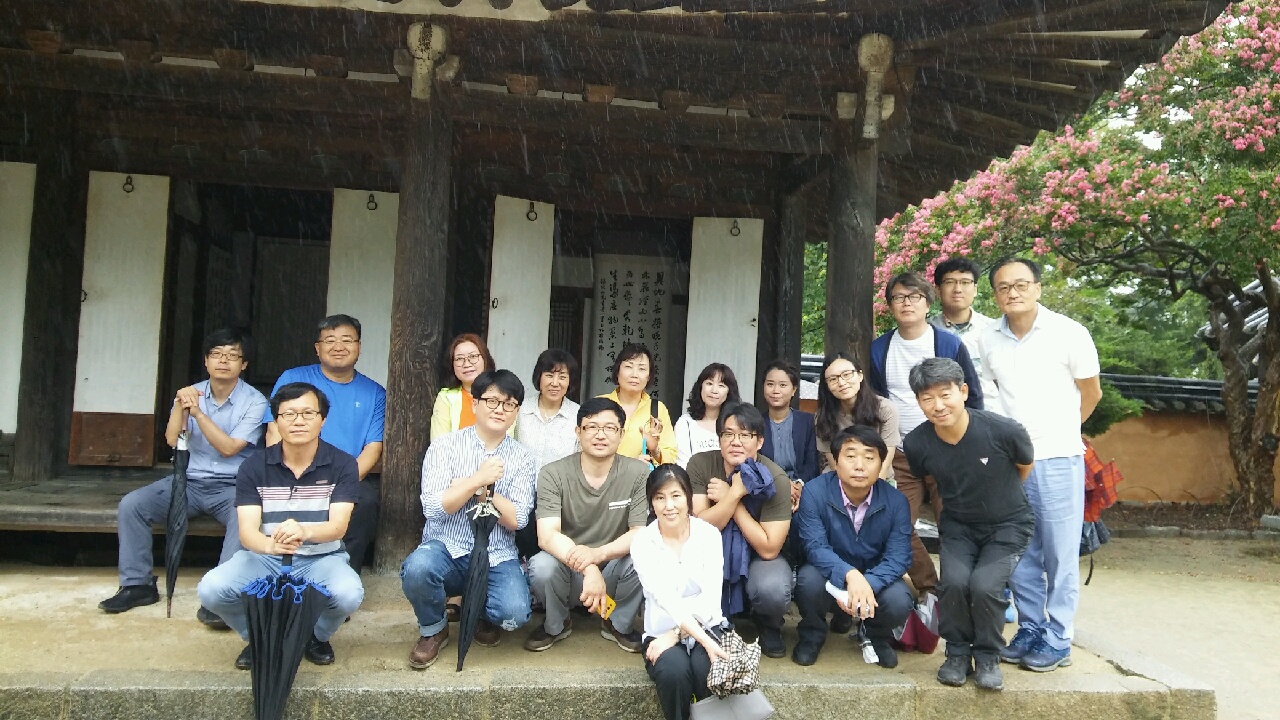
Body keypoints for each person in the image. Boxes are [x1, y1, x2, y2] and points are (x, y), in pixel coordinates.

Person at [976, 257, 1101, 672]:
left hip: (1058, 456)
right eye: (1003, 287)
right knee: (1020, 548)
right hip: (1011, 462)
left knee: (1060, 552)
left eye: (1021, 284)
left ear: (1037, 287)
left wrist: (1062, 431)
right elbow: (990, 395)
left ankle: (1059, 636)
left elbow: (1091, 392)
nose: (1012, 293)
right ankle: (1031, 627)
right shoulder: (988, 337)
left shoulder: (1069, 332)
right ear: (995, 294)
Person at [99, 329, 268, 629]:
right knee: (133, 505)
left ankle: (223, 595)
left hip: (233, 485)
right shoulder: (190, 393)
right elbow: (171, 439)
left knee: (244, 518)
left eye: (232, 356)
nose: (223, 361)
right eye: (216, 354)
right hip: (187, 481)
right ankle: (137, 585)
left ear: (244, 365)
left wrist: (198, 414)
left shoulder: (256, 402)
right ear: (206, 361)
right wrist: (180, 405)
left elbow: (230, 448)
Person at [196, 382, 365, 670]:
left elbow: (338, 527)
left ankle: (314, 636)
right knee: (211, 590)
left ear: (323, 420)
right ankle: (259, 637)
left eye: (308, 413)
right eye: (289, 414)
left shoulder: (343, 464)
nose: (299, 421)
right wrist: (270, 545)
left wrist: (306, 531)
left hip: (321, 557)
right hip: (264, 557)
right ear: (276, 421)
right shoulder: (253, 466)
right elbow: (247, 532)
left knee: (349, 594)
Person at [903, 358, 1035, 691]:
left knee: (985, 586)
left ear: (963, 391)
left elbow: (1024, 466)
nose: (938, 405)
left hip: (1008, 525)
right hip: (958, 527)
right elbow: (927, 477)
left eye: (945, 394)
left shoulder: (1004, 430)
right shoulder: (917, 443)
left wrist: (997, 500)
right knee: (954, 583)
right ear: (918, 402)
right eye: (927, 398)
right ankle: (957, 653)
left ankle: (988, 656)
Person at [401, 370, 536, 669]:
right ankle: (434, 629)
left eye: (509, 404)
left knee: (514, 613)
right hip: (446, 546)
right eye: (492, 401)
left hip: (496, 553)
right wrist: (477, 479)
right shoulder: (444, 447)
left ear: (516, 412)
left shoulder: (523, 457)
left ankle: (479, 613)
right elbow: (434, 508)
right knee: (418, 569)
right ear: (475, 404)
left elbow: (518, 519)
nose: (500, 409)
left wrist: (478, 490)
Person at [867, 272, 983, 601]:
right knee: (896, 524)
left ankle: (961, 590)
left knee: (955, 525)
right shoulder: (879, 348)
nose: (906, 303)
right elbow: (874, 402)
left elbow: (972, 396)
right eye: (898, 298)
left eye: (914, 296)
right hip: (901, 454)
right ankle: (930, 589)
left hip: (947, 450)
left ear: (928, 303)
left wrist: (969, 445)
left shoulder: (948, 344)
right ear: (890, 305)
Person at [524, 397, 650, 654]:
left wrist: (598, 555)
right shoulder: (552, 473)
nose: (600, 435)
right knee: (541, 566)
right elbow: (547, 536)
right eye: (592, 427)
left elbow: (639, 533)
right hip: (569, 573)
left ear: (621, 434)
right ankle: (557, 623)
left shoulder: (639, 473)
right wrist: (589, 567)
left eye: (610, 428)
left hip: (613, 571)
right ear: (578, 432)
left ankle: (617, 622)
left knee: (646, 557)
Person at [265, 315, 385, 574]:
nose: (338, 347)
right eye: (330, 340)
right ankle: (280, 573)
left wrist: (343, 482)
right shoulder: (293, 378)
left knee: (365, 501)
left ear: (359, 347)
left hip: (344, 476)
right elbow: (274, 428)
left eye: (347, 340)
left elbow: (373, 447)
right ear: (317, 348)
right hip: (292, 470)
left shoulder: (375, 392)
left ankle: (342, 577)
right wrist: (282, 473)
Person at [792, 425, 913, 668]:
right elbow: (814, 547)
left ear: (881, 464)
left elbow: (899, 557)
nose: (860, 465)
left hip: (873, 574)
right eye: (850, 456)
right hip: (829, 571)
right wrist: (849, 575)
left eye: (869, 458)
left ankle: (874, 633)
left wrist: (867, 583)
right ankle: (813, 633)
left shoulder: (896, 501)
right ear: (836, 462)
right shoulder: (815, 492)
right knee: (807, 581)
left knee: (900, 599)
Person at [687, 401, 792, 659]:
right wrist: (735, 494)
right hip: (710, 550)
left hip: (759, 556)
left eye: (745, 435)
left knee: (772, 589)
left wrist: (732, 500)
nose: (736, 442)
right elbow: (699, 527)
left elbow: (769, 548)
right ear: (719, 438)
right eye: (728, 434)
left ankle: (768, 623)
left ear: (760, 442)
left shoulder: (775, 478)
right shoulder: (700, 464)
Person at [632, 464, 732, 720]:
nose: (669, 506)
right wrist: (672, 635)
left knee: (706, 666)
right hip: (660, 631)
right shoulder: (643, 542)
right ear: (651, 502)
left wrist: (676, 634)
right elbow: (666, 599)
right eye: (660, 498)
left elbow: (710, 599)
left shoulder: (708, 535)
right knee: (673, 672)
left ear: (688, 497)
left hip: (708, 627)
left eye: (676, 496)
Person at [514, 348, 582, 559]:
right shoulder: (519, 410)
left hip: (559, 502)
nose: (555, 383)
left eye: (562, 377)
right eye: (549, 375)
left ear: (570, 381)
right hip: (519, 497)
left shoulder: (578, 416)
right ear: (539, 377)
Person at [929, 257, 1002, 414]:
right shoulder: (927, 332)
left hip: (990, 415)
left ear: (975, 289)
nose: (958, 289)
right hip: (941, 415)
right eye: (950, 282)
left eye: (965, 282)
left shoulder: (994, 330)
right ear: (937, 290)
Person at [814, 353, 898, 477]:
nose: (841, 382)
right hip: (839, 478)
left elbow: (885, 462)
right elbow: (835, 464)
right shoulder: (823, 417)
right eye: (833, 379)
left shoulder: (886, 409)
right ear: (826, 386)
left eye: (847, 374)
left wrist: (871, 486)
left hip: (879, 478)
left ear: (860, 375)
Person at [599, 343, 677, 467]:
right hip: (604, 477)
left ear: (649, 376)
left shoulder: (657, 409)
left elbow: (671, 457)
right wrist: (630, 466)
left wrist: (655, 450)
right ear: (617, 371)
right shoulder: (599, 404)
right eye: (628, 367)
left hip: (643, 479)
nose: (634, 374)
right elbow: (586, 450)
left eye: (642, 369)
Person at [760, 359, 820, 489]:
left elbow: (812, 464)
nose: (775, 390)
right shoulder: (756, 423)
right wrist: (783, 486)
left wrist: (799, 485)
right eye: (770, 384)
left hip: (803, 489)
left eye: (783, 385)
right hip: (768, 489)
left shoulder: (807, 422)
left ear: (794, 390)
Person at [431, 333, 497, 440]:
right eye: (459, 359)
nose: (466, 364)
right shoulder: (446, 398)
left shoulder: (503, 396)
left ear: (485, 359)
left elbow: (505, 443)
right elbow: (438, 444)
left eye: (473, 356)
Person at [673, 363, 741, 467]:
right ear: (700, 387)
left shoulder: (736, 424)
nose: (714, 391)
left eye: (721, 386)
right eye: (709, 383)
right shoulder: (685, 423)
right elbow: (683, 464)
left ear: (729, 392)